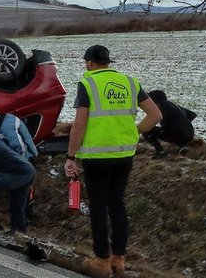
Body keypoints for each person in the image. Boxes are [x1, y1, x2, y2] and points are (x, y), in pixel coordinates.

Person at [65, 45, 162, 277]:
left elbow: (80, 124)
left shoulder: (87, 83)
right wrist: (134, 132)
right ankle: (119, 259)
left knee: (98, 206)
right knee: (116, 203)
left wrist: (70, 156)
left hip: (96, 157)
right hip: (124, 155)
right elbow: (156, 115)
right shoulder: (130, 82)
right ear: (109, 62)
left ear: (89, 63)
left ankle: (101, 261)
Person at [142, 90, 197, 157]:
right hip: (190, 135)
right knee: (171, 131)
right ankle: (181, 146)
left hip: (177, 135)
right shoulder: (174, 106)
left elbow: (154, 119)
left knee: (146, 130)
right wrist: (183, 124)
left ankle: (160, 152)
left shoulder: (160, 106)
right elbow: (193, 115)